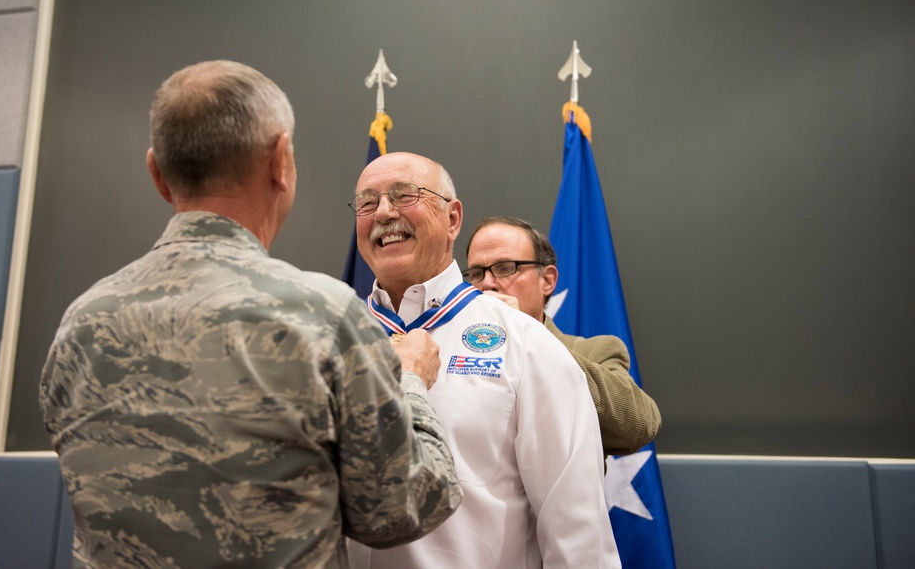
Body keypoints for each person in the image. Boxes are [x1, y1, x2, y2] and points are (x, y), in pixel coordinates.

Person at [38, 60, 462, 569]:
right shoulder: (320, 317)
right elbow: (404, 507)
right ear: (280, 161)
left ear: (157, 172)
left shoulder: (81, 325)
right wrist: (410, 383)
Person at [346, 152, 620, 569]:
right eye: (367, 202)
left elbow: (579, 536)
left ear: (453, 219)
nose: (383, 211)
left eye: (404, 195)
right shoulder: (327, 342)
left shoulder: (526, 344)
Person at [465, 216, 662, 457]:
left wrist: (532, 340)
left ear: (547, 280)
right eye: (476, 273)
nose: (487, 283)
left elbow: (638, 426)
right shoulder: (448, 350)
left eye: (506, 268)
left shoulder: (594, 350)